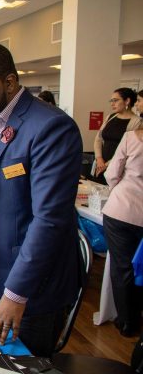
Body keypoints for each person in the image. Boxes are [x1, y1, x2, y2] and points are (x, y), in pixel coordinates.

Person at [0, 42, 82, 358]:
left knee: (22, 363)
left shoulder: (51, 127)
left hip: (31, 288)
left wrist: (16, 292)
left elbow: (49, 220)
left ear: (9, 83)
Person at [102, 129, 143, 337]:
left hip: (122, 210)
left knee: (122, 268)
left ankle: (127, 321)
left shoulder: (131, 137)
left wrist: (120, 189)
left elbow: (112, 172)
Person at [93, 88, 142, 183]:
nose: (112, 103)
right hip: (100, 165)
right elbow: (98, 139)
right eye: (111, 101)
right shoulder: (110, 117)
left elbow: (128, 150)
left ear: (127, 101)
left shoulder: (137, 122)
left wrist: (107, 164)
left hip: (117, 168)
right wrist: (99, 158)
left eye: (115, 100)